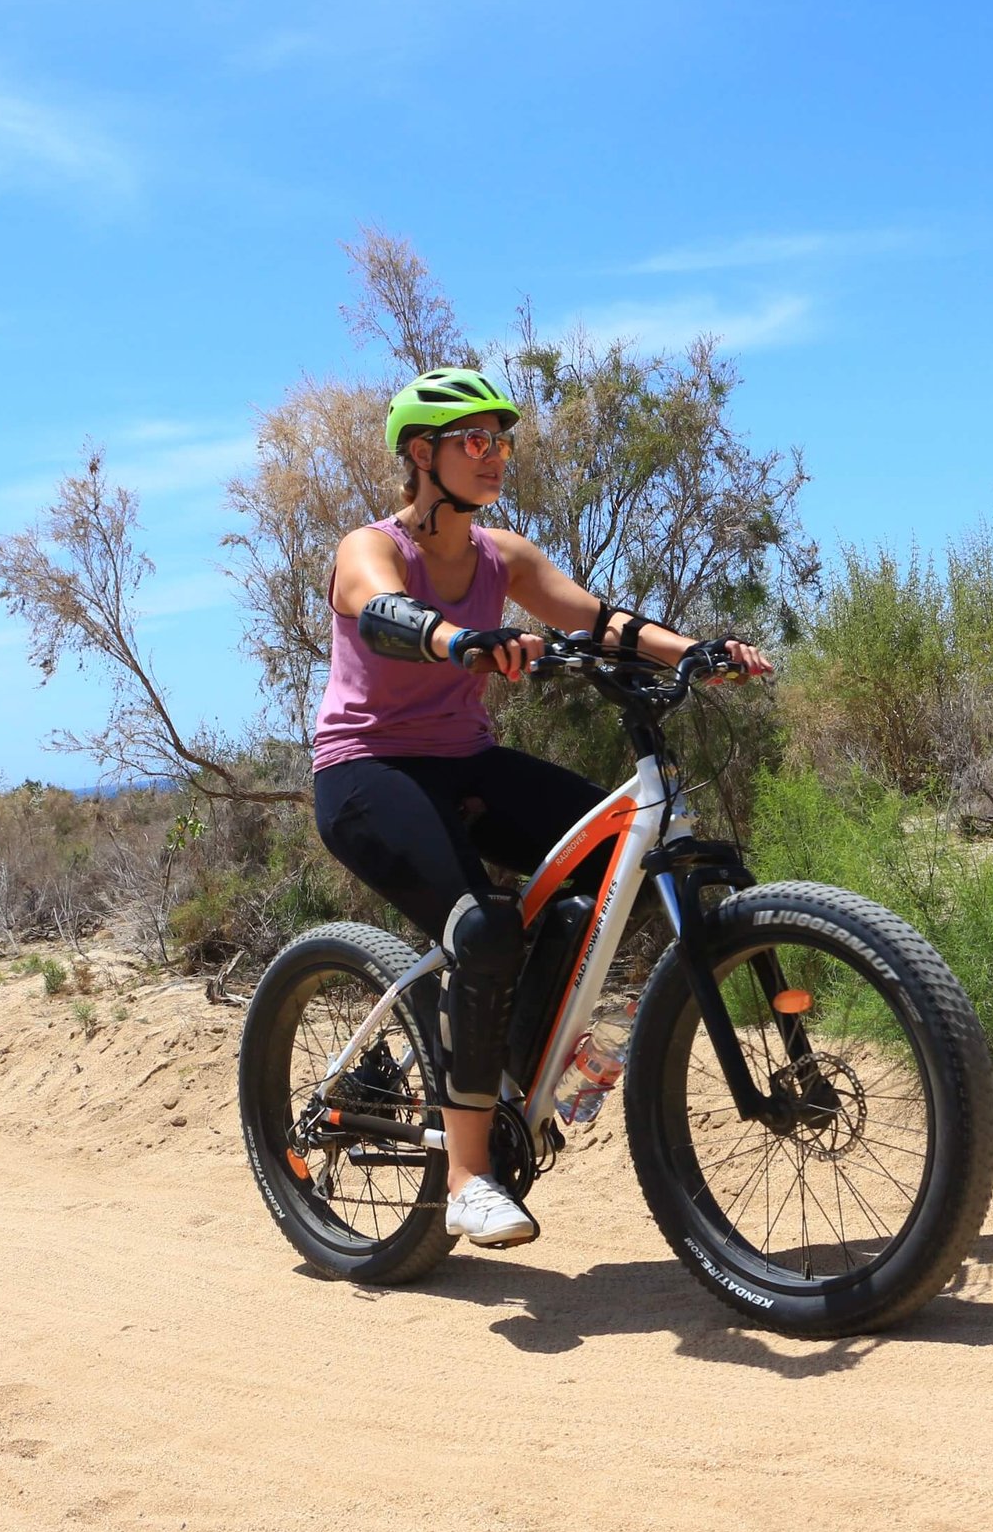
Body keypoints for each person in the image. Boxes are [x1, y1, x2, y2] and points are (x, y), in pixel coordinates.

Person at [311, 367, 772, 1248]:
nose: (495, 456)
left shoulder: (502, 555)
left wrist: (697, 650)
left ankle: (520, 1058)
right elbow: (377, 608)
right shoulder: (371, 547)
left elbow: (600, 621)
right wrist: (461, 640)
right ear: (422, 454)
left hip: (466, 764)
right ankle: (467, 1178)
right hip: (366, 772)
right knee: (484, 930)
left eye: (502, 442)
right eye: (474, 441)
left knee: (623, 868)